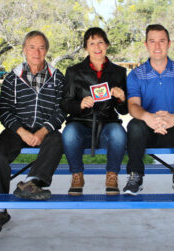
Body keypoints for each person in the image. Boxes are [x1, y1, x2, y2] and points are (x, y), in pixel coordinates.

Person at [0, 31, 65, 235]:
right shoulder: (13, 77)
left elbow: (61, 110)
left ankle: (31, 183)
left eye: (41, 47)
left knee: (57, 140)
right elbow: (3, 110)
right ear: (24, 49)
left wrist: (42, 131)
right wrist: (21, 131)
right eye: (31, 47)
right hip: (17, 130)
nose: (36, 52)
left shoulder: (57, 77)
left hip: (44, 130)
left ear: (46, 50)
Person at [123, 24, 174, 196]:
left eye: (162, 41)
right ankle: (135, 176)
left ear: (169, 43)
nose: (157, 46)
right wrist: (148, 117)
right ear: (146, 44)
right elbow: (133, 106)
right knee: (135, 125)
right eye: (152, 41)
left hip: (173, 131)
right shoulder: (136, 74)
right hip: (146, 132)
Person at [61, 27, 127, 196]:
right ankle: (77, 174)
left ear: (107, 45)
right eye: (92, 43)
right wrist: (80, 104)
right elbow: (65, 103)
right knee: (68, 134)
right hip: (81, 123)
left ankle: (112, 175)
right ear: (86, 47)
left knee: (119, 134)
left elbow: (124, 111)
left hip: (108, 122)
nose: (97, 47)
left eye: (101, 42)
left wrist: (122, 98)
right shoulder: (73, 72)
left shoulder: (119, 72)